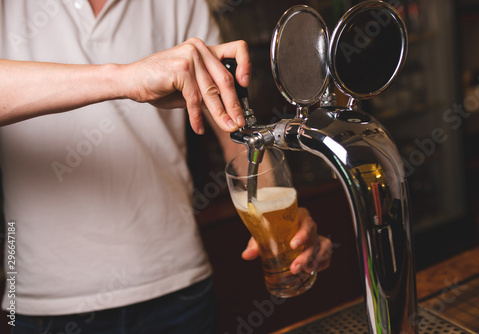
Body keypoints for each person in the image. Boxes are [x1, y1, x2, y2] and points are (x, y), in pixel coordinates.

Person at [0, 0, 332, 333]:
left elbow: (234, 130)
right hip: (43, 298)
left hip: (178, 288)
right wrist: (125, 78)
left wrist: (278, 219)